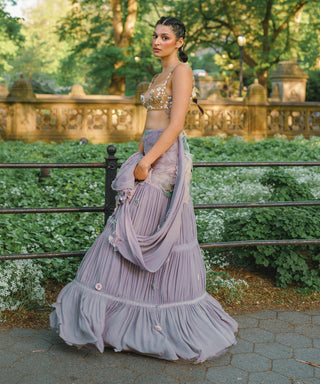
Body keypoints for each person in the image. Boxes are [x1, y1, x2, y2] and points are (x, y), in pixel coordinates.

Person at [50, 16, 237, 363]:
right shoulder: (156, 77)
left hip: (164, 161)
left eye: (165, 37)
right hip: (148, 154)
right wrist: (138, 154)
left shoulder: (182, 72)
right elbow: (149, 124)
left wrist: (148, 161)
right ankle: (121, 323)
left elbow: (176, 123)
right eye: (154, 35)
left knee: (136, 230)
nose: (157, 41)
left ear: (179, 42)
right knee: (126, 231)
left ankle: (160, 323)